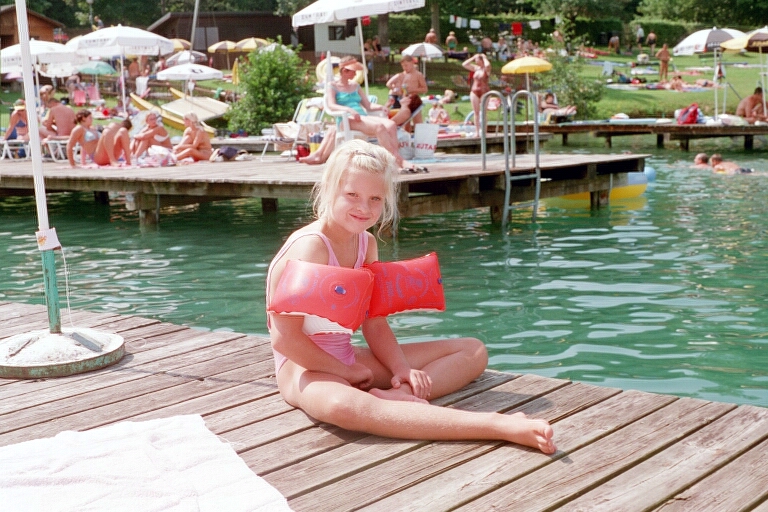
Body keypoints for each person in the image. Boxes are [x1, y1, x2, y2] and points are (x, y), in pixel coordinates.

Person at [266, 139, 556, 454]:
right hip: (302, 368)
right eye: (352, 195)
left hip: (348, 358)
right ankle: (497, 426)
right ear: (329, 189)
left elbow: (374, 322)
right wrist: (345, 373)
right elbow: (285, 340)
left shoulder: (365, 243)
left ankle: (398, 395)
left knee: (473, 351)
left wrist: (402, 370)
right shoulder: (311, 247)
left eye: (375, 198)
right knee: (343, 407)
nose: (364, 208)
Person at [328, 57, 410, 169]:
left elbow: (368, 105)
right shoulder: (333, 86)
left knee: (391, 124)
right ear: (344, 71)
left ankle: (394, 161)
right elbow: (331, 105)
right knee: (379, 127)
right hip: (346, 119)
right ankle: (398, 161)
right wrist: (349, 110)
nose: (355, 73)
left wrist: (381, 107)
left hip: (361, 116)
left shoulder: (355, 86)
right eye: (353, 71)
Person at [462, 53, 491, 137]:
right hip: (474, 91)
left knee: (484, 112)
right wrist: (473, 57)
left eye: (477, 59)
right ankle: (477, 132)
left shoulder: (486, 69)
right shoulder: (476, 68)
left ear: (481, 60)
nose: (475, 61)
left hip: (484, 91)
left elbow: (488, 65)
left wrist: (484, 57)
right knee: (476, 112)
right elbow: (464, 64)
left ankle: (484, 132)